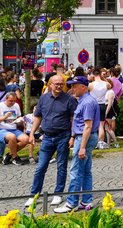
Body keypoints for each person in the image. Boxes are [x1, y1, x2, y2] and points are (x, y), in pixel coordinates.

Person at [25, 76, 77, 207]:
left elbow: (73, 119)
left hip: (63, 136)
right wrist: (32, 134)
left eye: (61, 84)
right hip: (47, 137)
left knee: (61, 167)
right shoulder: (43, 98)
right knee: (41, 167)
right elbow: (38, 117)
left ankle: (58, 194)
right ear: (50, 84)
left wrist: (72, 136)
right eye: (56, 84)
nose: (59, 86)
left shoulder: (69, 99)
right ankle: (34, 195)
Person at [54, 76, 100, 213]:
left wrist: (82, 147)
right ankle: (87, 201)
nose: (71, 89)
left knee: (76, 172)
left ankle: (71, 203)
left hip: (85, 138)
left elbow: (87, 126)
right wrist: (74, 136)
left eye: (74, 86)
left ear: (83, 87)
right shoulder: (84, 101)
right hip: (84, 137)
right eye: (71, 86)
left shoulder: (87, 102)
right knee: (85, 172)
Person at [0, 92, 28, 165]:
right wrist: (4, 117)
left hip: (14, 129)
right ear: (6, 99)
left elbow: (19, 117)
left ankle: (9, 155)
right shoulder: (0, 106)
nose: (13, 102)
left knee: (25, 139)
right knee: (12, 137)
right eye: (11, 101)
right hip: (2, 130)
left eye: (14, 101)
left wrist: (20, 121)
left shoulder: (16, 105)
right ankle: (15, 157)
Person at [88, 69, 112, 150]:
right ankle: (101, 142)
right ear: (101, 75)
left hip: (93, 104)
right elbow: (110, 85)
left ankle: (92, 141)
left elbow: (84, 86)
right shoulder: (105, 84)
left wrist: (89, 78)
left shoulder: (91, 84)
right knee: (101, 125)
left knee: (90, 124)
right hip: (102, 104)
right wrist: (103, 78)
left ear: (93, 75)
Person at [103, 79, 120, 148]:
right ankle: (109, 142)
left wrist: (106, 113)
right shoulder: (105, 91)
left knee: (107, 128)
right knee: (106, 128)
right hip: (105, 108)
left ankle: (115, 142)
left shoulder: (110, 92)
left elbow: (110, 104)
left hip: (108, 109)